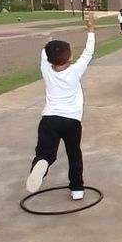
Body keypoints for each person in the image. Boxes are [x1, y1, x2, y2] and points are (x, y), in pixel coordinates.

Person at [27, 17, 96, 200]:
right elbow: (88, 52)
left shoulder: (46, 69)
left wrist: (48, 42)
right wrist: (90, 29)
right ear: (70, 57)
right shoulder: (75, 70)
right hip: (71, 121)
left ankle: (42, 163)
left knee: (45, 152)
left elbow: (45, 53)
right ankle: (77, 189)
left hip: (49, 119)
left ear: (49, 58)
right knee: (74, 154)